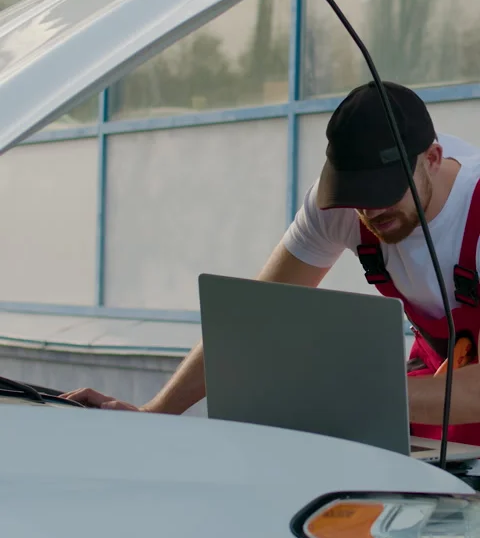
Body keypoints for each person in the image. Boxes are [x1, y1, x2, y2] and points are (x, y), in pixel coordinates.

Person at [61, 81, 480, 443]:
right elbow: (252, 322)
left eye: (384, 191)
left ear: (432, 158)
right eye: (359, 197)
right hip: (438, 370)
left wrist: (355, 394)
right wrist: (154, 416)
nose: (370, 211)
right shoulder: (338, 205)